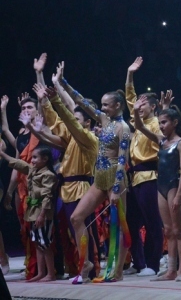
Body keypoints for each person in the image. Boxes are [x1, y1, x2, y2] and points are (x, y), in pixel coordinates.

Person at [59, 76, 131, 284]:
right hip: (99, 177)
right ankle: (87, 263)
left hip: (115, 179)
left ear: (118, 105)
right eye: (102, 105)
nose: (103, 108)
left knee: (118, 225)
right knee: (76, 218)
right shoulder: (104, 120)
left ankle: (118, 270)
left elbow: (122, 160)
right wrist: (64, 82)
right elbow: (81, 101)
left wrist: (116, 189)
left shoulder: (123, 129)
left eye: (107, 105)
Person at [35, 77, 100, 280]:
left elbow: (69, 121)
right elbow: (56, 122)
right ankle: (82, 266)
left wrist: (56, 100)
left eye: (78, 120)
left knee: (80, 226)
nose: (73, 123)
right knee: (72, 230)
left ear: (87, 123)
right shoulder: (71, 138)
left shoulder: (88, 139)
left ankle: (87, 266)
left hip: (80, 186)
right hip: (66, 187)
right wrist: (45, 102)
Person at [133, 96, 181, 282]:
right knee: (168, 230)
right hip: (160, 186)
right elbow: (140, 127)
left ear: (174, 123)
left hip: (174, 186)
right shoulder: (160, 141)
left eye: (164, 123)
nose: (161, 126)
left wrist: (180, 194)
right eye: (160, 123)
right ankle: (170, 271)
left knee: (178, 230)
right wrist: (135, 110)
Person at [124, 57, 164, 278]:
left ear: (153, 106)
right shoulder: (138, 119)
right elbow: (129, 98)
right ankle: (139, 262)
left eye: (143, 104)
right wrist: (130, 74)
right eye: (137, 104)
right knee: (131, 222)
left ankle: (153, 263)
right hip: (134, 178)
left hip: (150, 175)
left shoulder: (156, 123)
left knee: (152, 223)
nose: (138, 107)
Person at [0, 141, 57, 282]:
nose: (32, 160)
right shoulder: (33, 171)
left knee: (45, 243)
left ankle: (51, 273)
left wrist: (42, 215)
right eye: (32, 158)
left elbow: (47, 197)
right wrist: (1, 153)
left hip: (43, 214)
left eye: (35, 157)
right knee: (37, 243)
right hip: (33, 213)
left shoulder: (48, 175)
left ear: (45, 159)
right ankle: (41, 272)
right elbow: (19, 163)